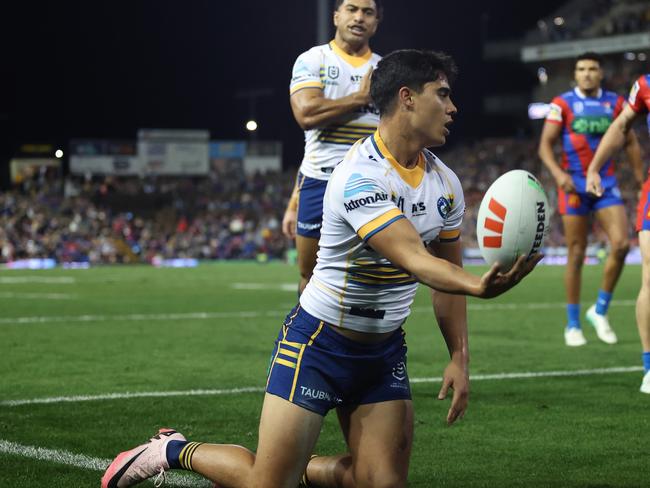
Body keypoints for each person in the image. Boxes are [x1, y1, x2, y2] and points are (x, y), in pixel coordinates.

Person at [102, 49, 542, 488]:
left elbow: (446, 280)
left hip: (383, 352)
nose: (453, 107)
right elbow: (412, 257)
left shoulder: (445, 182)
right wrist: (480, 287)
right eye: (442, 95)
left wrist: (459, 357)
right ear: (406, 98)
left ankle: (298, 468)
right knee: (268, 484)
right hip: (319, 344)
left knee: (383, 484)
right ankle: (173, 450)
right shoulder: (358, 174)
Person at [537, 51, 643, 347]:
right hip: (573, 185)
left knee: (621, 244)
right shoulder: (562, 104)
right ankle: (573, 324)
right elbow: (545, 146)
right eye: (581, 69)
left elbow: (631, 142)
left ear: (601, 73)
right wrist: (559, 175)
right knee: (575, 252)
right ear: (575, 74)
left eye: (592, 68)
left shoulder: (616, 103)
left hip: (606, 185)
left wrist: (639, 180)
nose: (586, 73)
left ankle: (600, 309)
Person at [282, 0, 382, 294]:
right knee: (311, 274)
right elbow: (306, 115)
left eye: (368, 12)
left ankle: (365, 338)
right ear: (336, 16)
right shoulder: (314, 60)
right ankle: (310, 338)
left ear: (376, 23)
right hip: (320, 182)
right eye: (351, 9)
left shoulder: (387, 69)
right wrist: (359, 99)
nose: (359, 17)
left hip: (373, 184)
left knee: (372, 275)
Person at [586, 74, 650, 394]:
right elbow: (622, 126)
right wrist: (595, 166)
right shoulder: (646, 85)